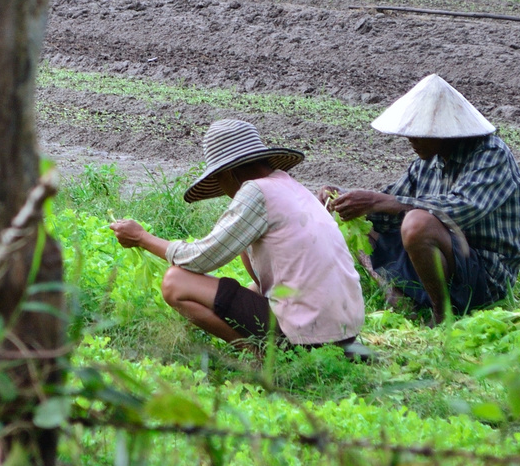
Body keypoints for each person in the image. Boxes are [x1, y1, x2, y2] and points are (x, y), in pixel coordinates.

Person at [109, 120, 364, 349]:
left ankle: (253, 354)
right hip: (343, 332)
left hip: (308, 334)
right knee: (245, 260)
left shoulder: (256, 191)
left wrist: (142, 237)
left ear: (229, 173)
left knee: (176, 281)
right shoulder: (291, 187)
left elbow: (201, 258)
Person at [324, 74, 520, 326]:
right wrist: (343, 201)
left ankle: (442, 315)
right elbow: (386, 213)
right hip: (442, 262)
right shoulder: (428, 161)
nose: (411, 139)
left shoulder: (491, 154)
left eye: (420, 132)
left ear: (444, 131)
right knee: (356, 224)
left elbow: (460, 209)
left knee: (417, 223)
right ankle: (395, 293)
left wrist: (382, 202)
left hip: (484, 276)